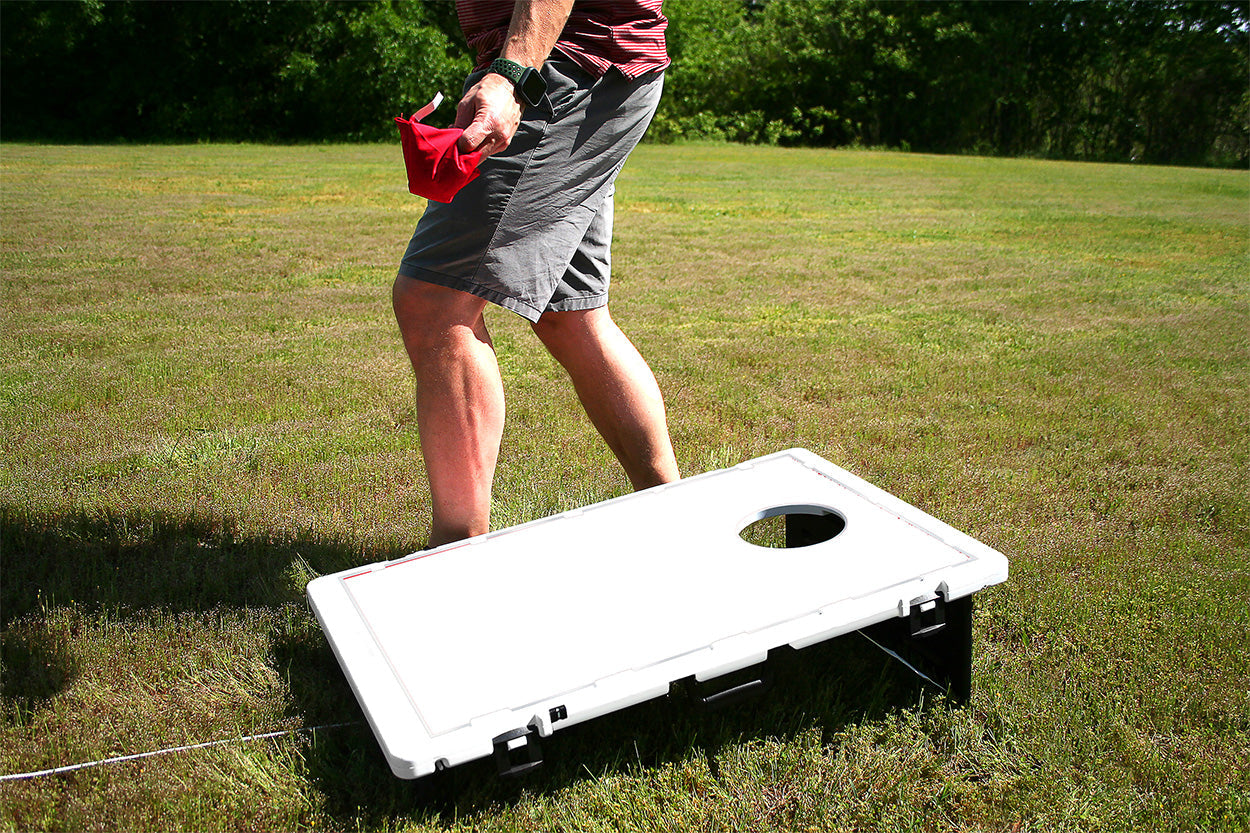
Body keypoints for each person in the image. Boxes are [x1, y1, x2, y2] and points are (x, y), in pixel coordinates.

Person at [392, 0, 680, 548]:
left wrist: (511, 75)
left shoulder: (533, 70)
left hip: (565, 67)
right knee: (571, 316)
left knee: (435, 300)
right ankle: (673, 513)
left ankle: (457, 552)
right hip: (591, 66)